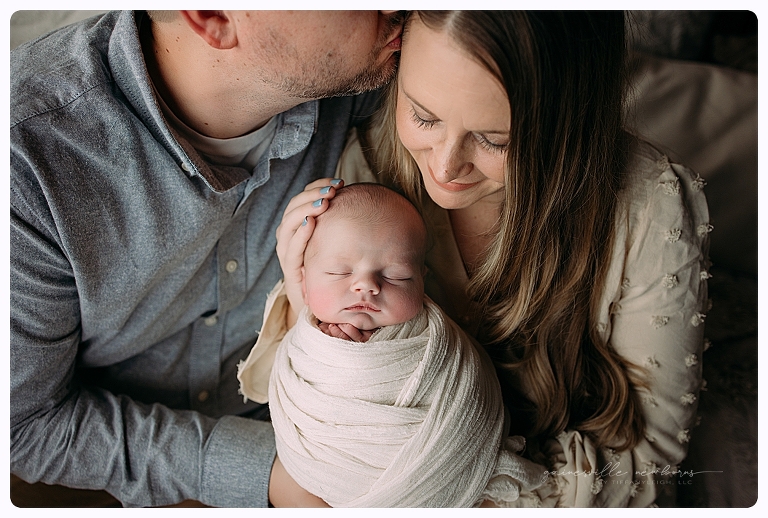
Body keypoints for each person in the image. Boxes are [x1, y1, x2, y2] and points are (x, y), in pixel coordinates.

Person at [272, 11, 711, 507]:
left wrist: (451, 487)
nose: (443, 166)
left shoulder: (650, 207)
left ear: (570, 122)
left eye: (494, 140)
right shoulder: (371, 168)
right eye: (423, 115)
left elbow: (647, 468)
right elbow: (319, 413)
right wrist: (302, 294)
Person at [10, 9, 405, 508]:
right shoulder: (25, 163)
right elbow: (22, 426)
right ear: (212, 16)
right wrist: (268, 475)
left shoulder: (363, 64)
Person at [238, 182, 545, 507]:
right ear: (303, 276)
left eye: (397, 276)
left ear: (422, 280)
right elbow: (296, 401)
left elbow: (473, 391)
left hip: (446, 470)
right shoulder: (307, 341)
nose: (366, 285)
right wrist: (337, 360)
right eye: (338, 271)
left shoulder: (437, 339)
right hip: (323, 482)